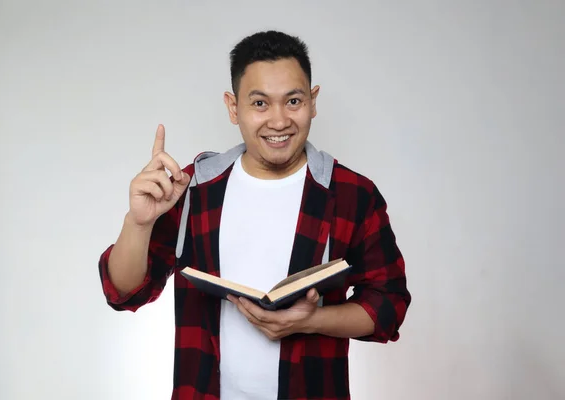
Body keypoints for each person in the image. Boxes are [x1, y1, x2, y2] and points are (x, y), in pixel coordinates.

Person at [98, 30, 411, 400]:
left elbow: (389, 304)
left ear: (312, 102)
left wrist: (313, 320)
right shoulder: (194, 187)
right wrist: (138, 223)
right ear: (234, 108)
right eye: (260, 104)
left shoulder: (352, 195)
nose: (278, 121)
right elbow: (125, 292)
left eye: (293, 101)